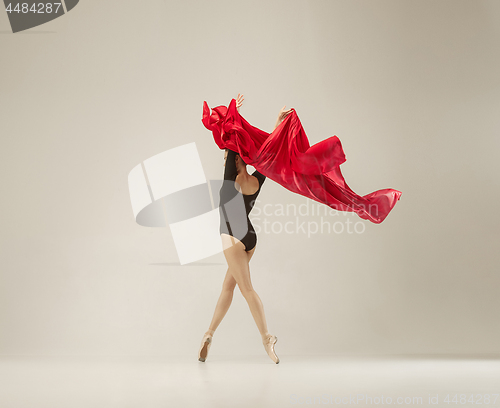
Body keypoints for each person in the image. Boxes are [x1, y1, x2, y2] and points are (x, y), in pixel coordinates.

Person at [198, 94, 292, 364]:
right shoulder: (257, 179)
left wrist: (233, 114)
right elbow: (269, 154)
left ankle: (267, 338)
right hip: (249, 237)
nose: (226, 158)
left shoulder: (230, 180)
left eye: (229, 156)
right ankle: (208, 334)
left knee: (246, 289)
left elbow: (232, 141)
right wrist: (277, 124)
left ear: (233, 160)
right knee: (228, 287)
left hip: (231, 235)